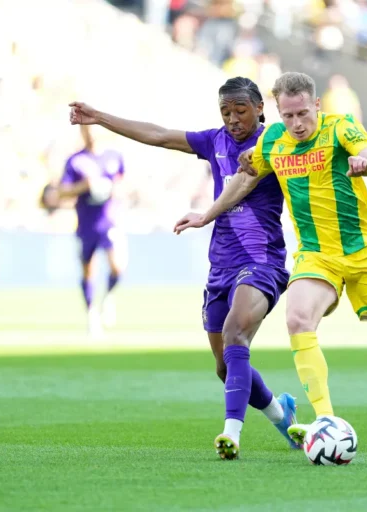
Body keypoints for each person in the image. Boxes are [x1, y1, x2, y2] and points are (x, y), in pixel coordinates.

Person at [174, 72, 367, 454]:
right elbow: (245, 180)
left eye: (303, 114)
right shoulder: (272, 141)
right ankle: (326, 420)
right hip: (315, 255)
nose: (296, 123)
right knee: (298, 318)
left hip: (365, 253)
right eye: (288, 116)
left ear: (317, 106)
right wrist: (207, 215)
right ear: (277, 112)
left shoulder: (340, 129)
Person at [68, 77, 299, 460]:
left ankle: (231, 433)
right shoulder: (214, 141)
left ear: (260, 107)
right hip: (221, 263)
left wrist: (207, 214)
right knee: (226, 367)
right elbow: (158, 134)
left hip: (262, 260)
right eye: (225, 112)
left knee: (235, 334)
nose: (232, 119)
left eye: (240, 110)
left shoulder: (273, 140)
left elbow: (248, 178)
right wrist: (100, 118)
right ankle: (281, 413)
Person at [53, 125, 128, 338]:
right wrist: (84, 187)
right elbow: (62, 192)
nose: (91, 134)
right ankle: (91, 315)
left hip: (110, 221)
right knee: (88, 270)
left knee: (117, 267)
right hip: (86, 223)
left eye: (94, 129)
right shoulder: (75, 161)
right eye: (86, 130)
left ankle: (107, 298)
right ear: (82, 133)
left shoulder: (114, 156)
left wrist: (113, 190)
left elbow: (123, 184)